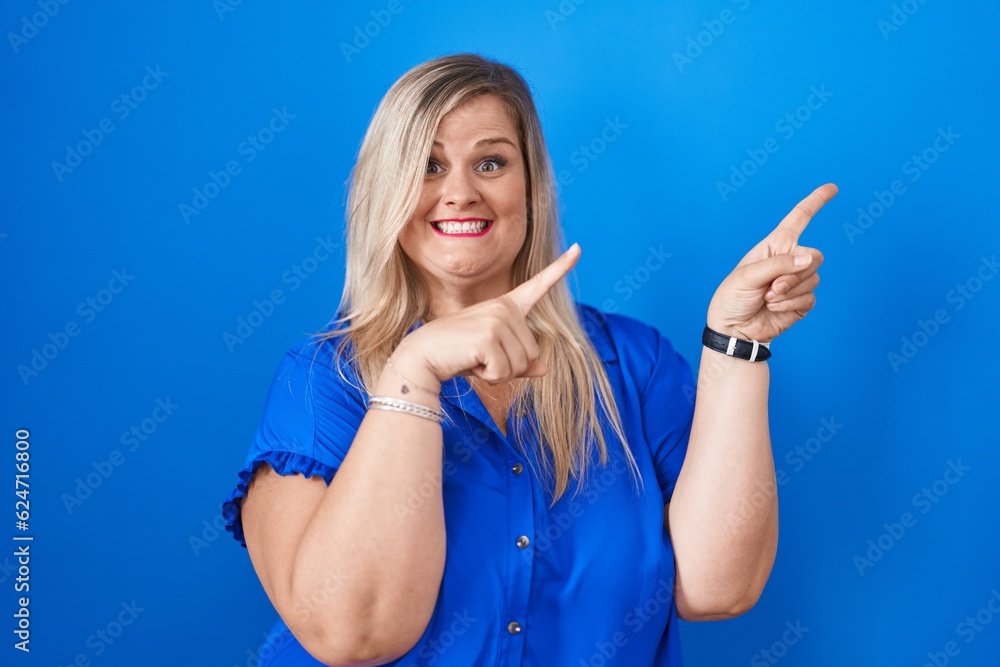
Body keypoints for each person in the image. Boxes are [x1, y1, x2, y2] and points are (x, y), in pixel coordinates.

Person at [221, 53, 835, 666]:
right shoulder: (320, 382)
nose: (460, 192)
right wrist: (413, 374)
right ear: (386, 189)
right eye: (428, 165)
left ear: (531, 187)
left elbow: (718, 588)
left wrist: (738, 343)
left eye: (491, 162)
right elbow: (353, 635)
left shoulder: (634, 363)